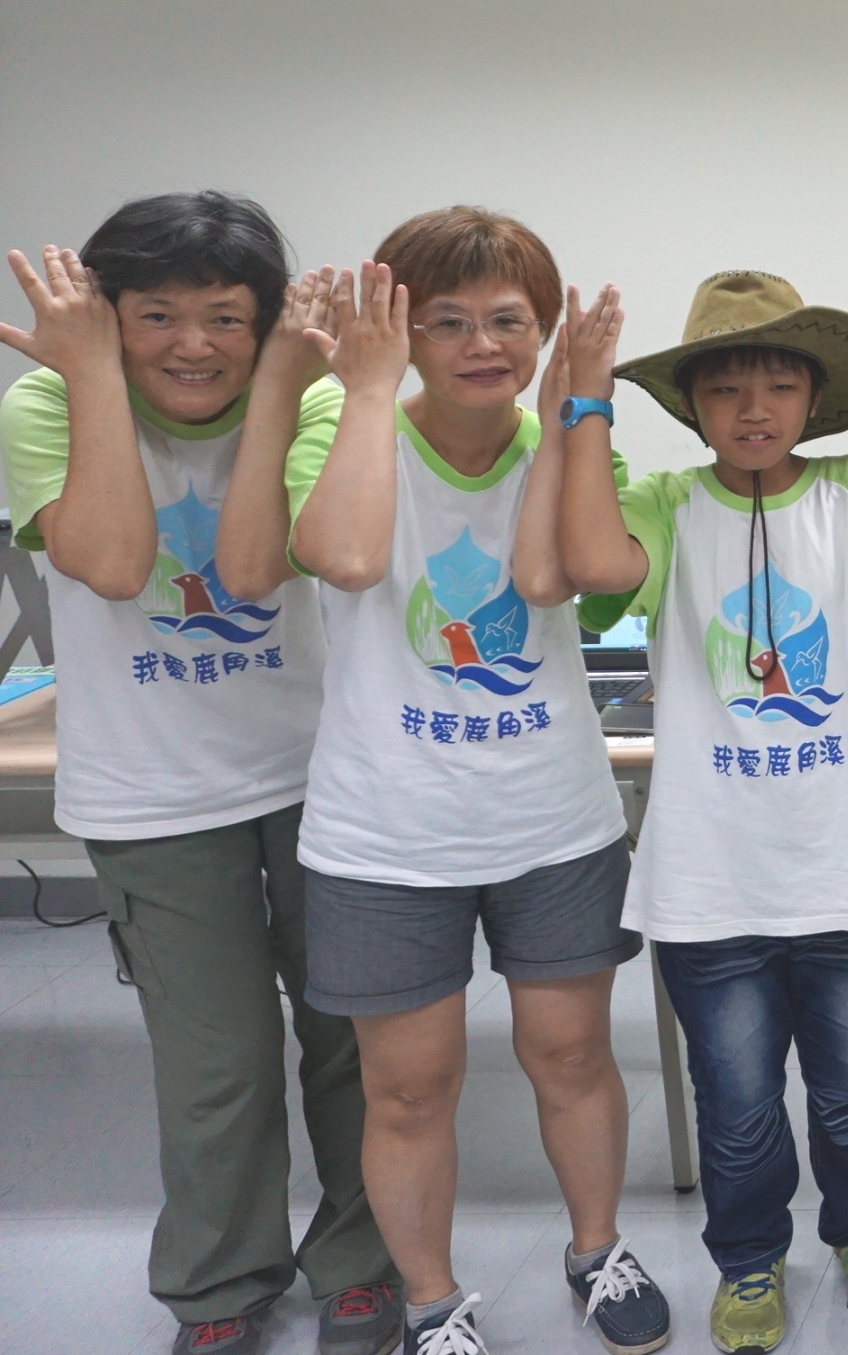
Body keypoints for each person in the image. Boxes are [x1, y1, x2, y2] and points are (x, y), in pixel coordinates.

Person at [553, 196, 848, 1353]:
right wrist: (584, 397)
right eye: (727, 389)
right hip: (709, 885)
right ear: (691, 407)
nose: (754, 410)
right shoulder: (666, 505)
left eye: (779, 386)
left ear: (812, 398)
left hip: (841, 873)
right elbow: (590, 559)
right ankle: (749, 1260)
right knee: (736, 1108)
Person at [0, 197, 401, 1355]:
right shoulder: (43, 402)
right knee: (216, 1064)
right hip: (152, 797)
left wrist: (278, 390)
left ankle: (364, 1262)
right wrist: (85, 381)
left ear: (268, 324)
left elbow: (263, 565)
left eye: (228, 317)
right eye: (156, 314)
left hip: (327, 782)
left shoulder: (313, 397)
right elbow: (117, 563)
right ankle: (220, 1281)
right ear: (104, 318)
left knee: (351, 1042)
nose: (192, 344)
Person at [268, 208, 669, 1355]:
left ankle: (596, 1247)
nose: (481, 342)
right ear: (401, 328)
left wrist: (572, 418)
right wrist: (357, 389)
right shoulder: (339, 431)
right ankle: (434, 1301)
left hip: (552, 822)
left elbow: (557, 583)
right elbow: (344, 555)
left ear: (544, 331)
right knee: (407, 1088)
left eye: (509, 320)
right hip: (382, 833)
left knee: (572, 1054)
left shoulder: (574, 441)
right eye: (446, 322)